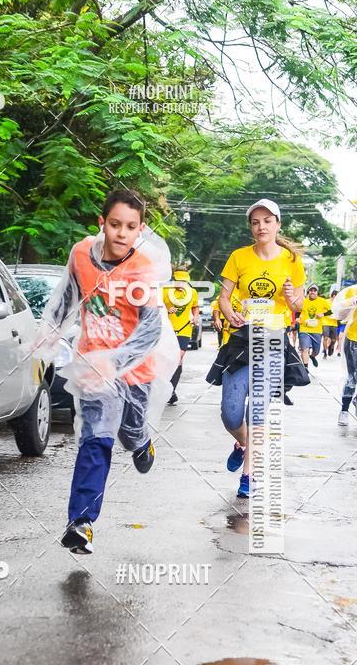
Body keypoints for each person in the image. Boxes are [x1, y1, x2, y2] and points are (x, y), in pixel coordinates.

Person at [32, 188, 178, 554]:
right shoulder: (82, 253)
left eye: (130, 227)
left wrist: (115, 360)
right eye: (114, 224)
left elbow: (150, 330)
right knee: (95, 439)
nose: (121, 233)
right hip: (94, 366)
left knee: (129, 434)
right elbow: (67, 297)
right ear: (102, 223)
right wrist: (48, 334)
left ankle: (142, 440)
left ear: (140, 229)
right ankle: (81, 522)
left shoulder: (143, 269)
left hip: (134, 369)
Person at [207, 198, 308, 498]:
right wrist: (228, 313)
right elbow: (224, 297)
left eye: (267, 221)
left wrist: (292, 297)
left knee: (259, 412)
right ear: (251, 227)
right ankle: (243, 443)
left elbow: (300, 305)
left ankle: (248, 477)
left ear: (278, 224)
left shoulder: (291, 260)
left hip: (274, 340)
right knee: (231, 414)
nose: (261, 226)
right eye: (255, 222)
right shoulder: (239, 257)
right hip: (240, 340)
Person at [163, 269, 199, 405]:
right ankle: (169, 391)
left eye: (184, 281)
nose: (181, 284)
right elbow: (156, 308)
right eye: (179, 280)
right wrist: (167, 310)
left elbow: (195, 307)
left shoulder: (192, 293)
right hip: (168, 329)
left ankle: (171, 389)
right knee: (169, 360)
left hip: (185, 329)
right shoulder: (164, 291)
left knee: (179, 356)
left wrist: (195, 317)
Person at [332, 285, 357, 426]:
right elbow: (337, 311)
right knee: (352, 377)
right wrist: (352, 301)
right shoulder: (352, 290)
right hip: (354, 339)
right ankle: (344, 410)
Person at [298, 284, 329, 368]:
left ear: (317, 292)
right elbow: (297, 310)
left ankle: (312, 356)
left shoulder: (322, 301)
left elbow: (331, 311)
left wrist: (323, 314)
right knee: (305, 349)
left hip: (317, 330)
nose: (313, 292)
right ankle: (305, 368)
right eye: (311, 290)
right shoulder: (303, 301)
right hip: (304, 329)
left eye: (314, 290)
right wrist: (297, 318)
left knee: (316, 351)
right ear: (308, 292)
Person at [322, 289, 339, 358]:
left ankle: (330, 347)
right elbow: (322, 312)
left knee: (334, 340)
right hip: (325, 323)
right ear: (334, 296)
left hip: (334, 323)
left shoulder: (338, 304)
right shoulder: (326, 302)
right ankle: (325, 352)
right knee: (325, 338)